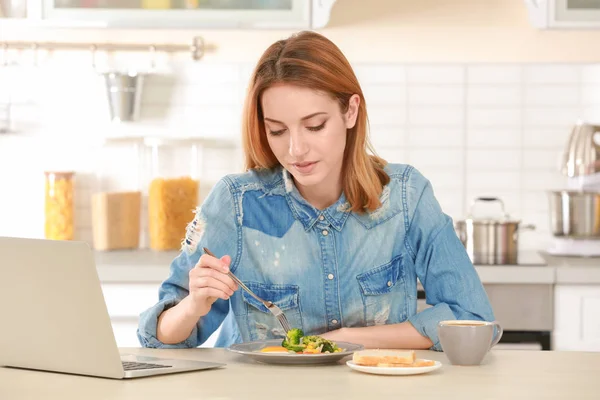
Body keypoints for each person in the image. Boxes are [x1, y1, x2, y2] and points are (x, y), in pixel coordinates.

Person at [137, 31, 495, 352]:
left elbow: (473, 320)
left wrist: (344, 341)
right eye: (277, 131)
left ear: (350, 111)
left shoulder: (405, 196)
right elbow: (157, 338)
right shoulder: (236, 203)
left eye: (315, 126)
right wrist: (194, 304)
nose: (296, 150)